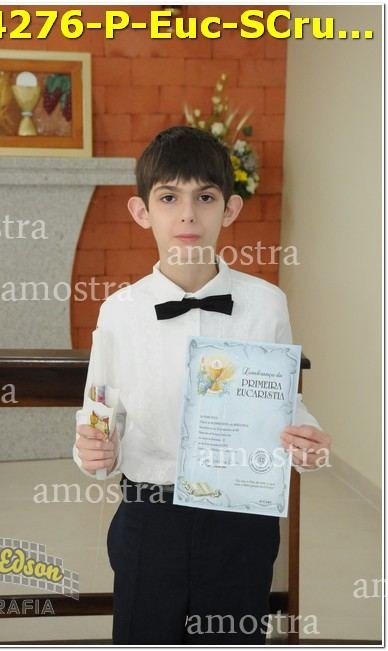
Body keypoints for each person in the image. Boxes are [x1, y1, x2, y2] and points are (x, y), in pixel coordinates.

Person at [73, 126, 331, 645]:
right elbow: (97, 413)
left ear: (230, 209)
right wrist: (92, 453)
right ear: (142, 211)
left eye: (205, 198)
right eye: (169, 198)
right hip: (149, 518)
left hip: (241, 522)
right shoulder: (119, 312)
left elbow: (285, 403)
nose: (187, 214)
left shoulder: (267, 304)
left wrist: (308, 440)